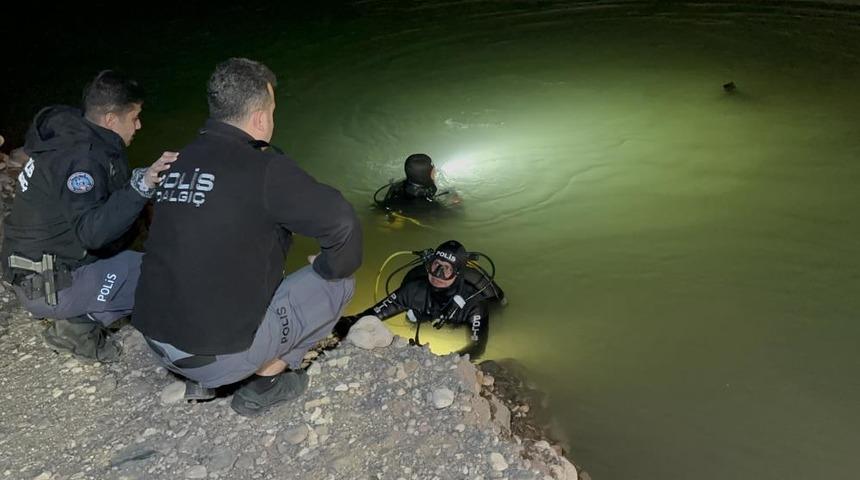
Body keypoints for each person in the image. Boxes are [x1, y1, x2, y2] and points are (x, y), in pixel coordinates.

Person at [132, 58, 362, 416]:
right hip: (213, 359)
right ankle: (263, 383)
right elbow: (343, 223)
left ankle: (207, 369)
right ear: (260, 118)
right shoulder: (265, 167)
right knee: (339, 282)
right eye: (272, 111)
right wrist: (329, 266)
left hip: (155, 338)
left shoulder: (177, 160)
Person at [0, 70, 178, 362]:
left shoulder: (79, 135)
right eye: (134, 117)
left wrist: (144, 186)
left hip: (43, 267)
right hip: (48, 284)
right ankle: (77, 325)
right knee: (164, 274)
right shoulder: (79, 158)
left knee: (139, 209)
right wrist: (141, 185)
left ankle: (85, 306)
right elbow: (91, 234)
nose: (140, 125)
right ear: (110, 119)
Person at [335, 240, 504, 359]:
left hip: (459, 321)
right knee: (412, 320)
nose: (437, 274)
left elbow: (477, 348)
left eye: (446, 269)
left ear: (458, 273)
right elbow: (370, 315)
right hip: (426, 316)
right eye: (436, 265)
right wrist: (344, 323)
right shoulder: (413, 290)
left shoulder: (474, 305)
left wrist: (444, 362)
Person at [373, 153, 460, 217]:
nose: (436, 172)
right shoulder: (430, 205)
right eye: (433, 171)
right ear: (426, 176)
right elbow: (456, 217)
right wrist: (457, 204)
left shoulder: (398, 186)